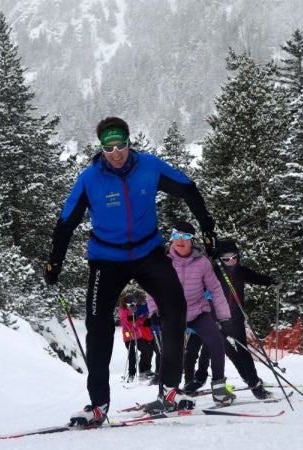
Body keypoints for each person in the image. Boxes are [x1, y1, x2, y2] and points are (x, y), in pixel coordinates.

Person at [44, 117, 218, 426]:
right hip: (106, 258)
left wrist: (207, 228)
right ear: (102, 148)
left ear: (129, 142)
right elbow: (66, 221)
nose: (116, 152)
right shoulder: (89, 179)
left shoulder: (149, 167)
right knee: (97, 325)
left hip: (148, 252)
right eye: (109, 147)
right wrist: (54, 261)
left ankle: (169, 390)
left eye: (121, 144)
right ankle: (98, 405)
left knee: (175, 307)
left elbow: (188, 189)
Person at [146, 221, 236, 407]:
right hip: (171, 313)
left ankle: (219, 388)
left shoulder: (202, 262)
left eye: (185, 236)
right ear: (171, 238)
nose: (180, 240)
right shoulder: (163, 260)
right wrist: (154, 311)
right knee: (170, 352)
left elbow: (215, 289)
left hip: (197, 311)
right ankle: (166, 394)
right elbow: (151, 287)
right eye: (176, 236)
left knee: (216, 340)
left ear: (191, 240)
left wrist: (224, 316)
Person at [191, 238, 281, 399]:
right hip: (217, 318)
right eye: (226, 259)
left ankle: (254, 384)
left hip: (236, 318)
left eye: (234, 257)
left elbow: (256, 277)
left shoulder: (241, 271)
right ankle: (199, 378)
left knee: (243, 351)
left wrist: (271, 281)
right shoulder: (214, 273)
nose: (231, 261)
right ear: (220, 259)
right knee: (209, 349)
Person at [118, 291, 154, 382]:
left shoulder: (134, 309)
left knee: (145, 351)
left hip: (137, 335)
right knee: (132, 354)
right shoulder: (123, 310)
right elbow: (123, 321)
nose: (135, 303)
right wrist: (130, 320)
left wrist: (142, 320)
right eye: (133, 302)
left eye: (135, 302)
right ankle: (131, 373)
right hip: (128, 335)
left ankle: (144, 370)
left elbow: (138, 322)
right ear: (128, 302)